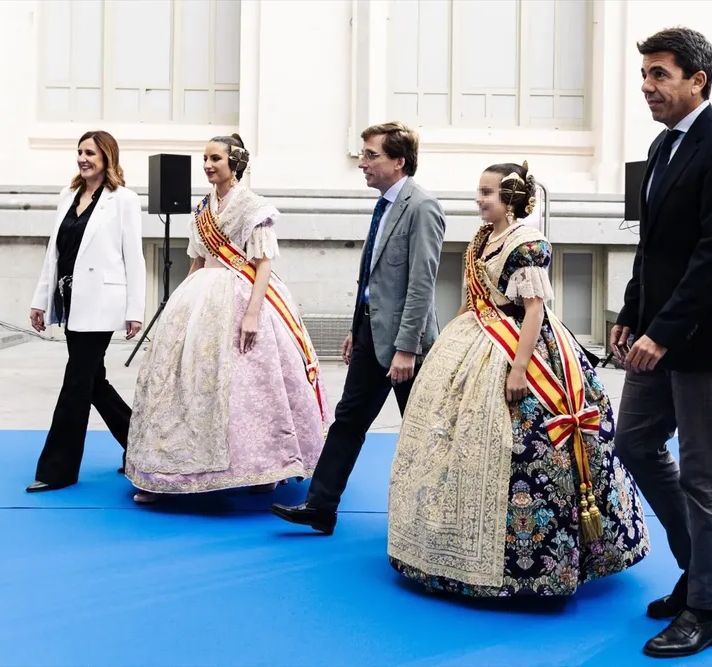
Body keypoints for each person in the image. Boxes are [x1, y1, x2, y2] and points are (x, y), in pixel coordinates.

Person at [387, 161, 650, 597]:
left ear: (510, 201)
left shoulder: (528, 245)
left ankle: (540, 563)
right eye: (480, 191)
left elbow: (533, 311)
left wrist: (520, 367)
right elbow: (473, 298)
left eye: (488, 193)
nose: (480, 199)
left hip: (522, 349)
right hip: (477, 337)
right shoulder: (480, 239)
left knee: (532, 449)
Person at [611, 28, 712, 658]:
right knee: (634, 441)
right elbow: (653, 247)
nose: (647, 87)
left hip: (708, 340)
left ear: (697, 80)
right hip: (656, 331)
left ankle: (706, 608)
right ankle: (708, 568)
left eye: (659, 75)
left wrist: (662, 332)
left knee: (705, 474)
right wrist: (630, 311)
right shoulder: (661, 146)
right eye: (645, 75)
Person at [124, 134, 331, 504]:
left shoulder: (253, 207)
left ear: (233, 162)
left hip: (244, 293)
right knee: (185, 385)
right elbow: (198, 259)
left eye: (215, 158)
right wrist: (179, 309)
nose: (207, 165)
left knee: (253, 387)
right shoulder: (202, 208)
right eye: (204, 158)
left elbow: (263, 263)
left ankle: (265, 468)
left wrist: (252, 313)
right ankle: (169, 474)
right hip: (201, 295)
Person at [270, 122, 446, 535]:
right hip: (371, 333)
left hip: (407, 345)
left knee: (424, 432)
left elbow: (422, 284)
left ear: (398, 161)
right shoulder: (383, 205)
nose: (362, 163)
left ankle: (439, 519)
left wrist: (406, 349)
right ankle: (320, 506)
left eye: (371, 155)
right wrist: (356, 326)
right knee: (348, 420)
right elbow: (374, 277)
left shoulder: (422, 207)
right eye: (363, 154)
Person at [26, 130, 146, 493]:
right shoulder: (68, 196)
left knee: (77, 381)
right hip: (69, 301)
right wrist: (40, 299)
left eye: (90, 152)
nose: (83, 158)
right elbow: (54, 253)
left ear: (107, 156)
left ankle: (57, 470)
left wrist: (135, 308)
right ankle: (143, 449)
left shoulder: (123, 199)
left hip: (102, 303)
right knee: (94, 382)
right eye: (79, 151)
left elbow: (134, 256)